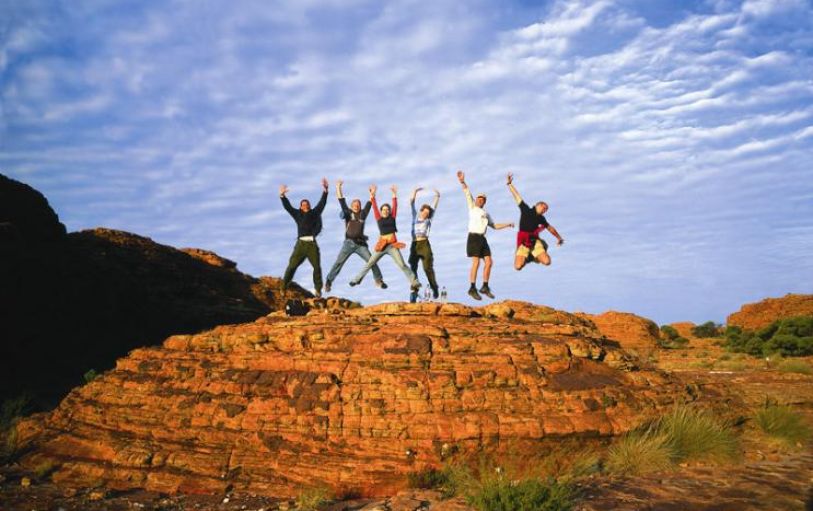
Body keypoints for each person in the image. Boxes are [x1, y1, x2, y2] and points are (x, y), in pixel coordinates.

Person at [350, 185, 421, 291]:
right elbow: (374, 206)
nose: (385, 211)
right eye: (384, 209)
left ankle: (415, 282)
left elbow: (395, 206)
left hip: (392, 246)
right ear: (381, 211)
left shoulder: (392, 217)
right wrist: (372, 194)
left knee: (402, 264)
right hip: (382, 245)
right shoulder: (378, 218)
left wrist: (394, 194)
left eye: (387, 209)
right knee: (370, 262)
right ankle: (356, 279)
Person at [456, 170, 513, 301]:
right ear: (476, 200)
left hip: (483, 239)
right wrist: (463, 181)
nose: (480, 200)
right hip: (473, 237)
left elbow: (494, 226)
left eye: (482, 199)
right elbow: (467, 193)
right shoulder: (472, 207)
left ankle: (485, 287)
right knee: (476, 262)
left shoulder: (486, 213)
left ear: (484, 202)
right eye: (478, 198)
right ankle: (472, 288)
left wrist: (507, 224)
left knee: (489, 262)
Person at [324, 180, 387, 292]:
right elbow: (340, 199)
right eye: (354, 205)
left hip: (360, 244)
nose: (356, 206)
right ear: (351, 206)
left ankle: (378, 280)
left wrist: (372, 193)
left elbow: (370, 202)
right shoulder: (348, 212)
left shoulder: (363, 213)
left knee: (371, 261)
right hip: (348, 243)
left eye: (358, 205)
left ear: (360, 206)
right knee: (339, 262)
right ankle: (328, 281)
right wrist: (338, 187)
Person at [280, 178, 328, 297]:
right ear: (301, 207)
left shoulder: (314, 213)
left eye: (307, 204)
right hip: (300, 244)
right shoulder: (297, 214)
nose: (305, 205)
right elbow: (288, 207)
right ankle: (283, 287)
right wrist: (282, 196)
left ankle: (317, 290)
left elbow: (322, 203)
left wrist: (325, 191)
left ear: (309, 206)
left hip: (312, 244)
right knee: (292, 266)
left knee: (317, 267)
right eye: (303, 204)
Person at [506, 172, 564, 270]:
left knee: (547, 262)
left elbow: (550, 228)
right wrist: (509, 184)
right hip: (523, 243)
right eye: (543, 207)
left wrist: (559, 238)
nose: (544, 210)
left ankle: (536, 253)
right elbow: (517, 196)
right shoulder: (526, 209)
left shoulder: (541, 218)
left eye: (546, 210)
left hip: (534, 242)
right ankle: (529, 256)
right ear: (537, 205)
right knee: (517, 266)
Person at [409, 187, 441, 302]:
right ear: (421, 211)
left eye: (428, 213)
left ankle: (434, 287)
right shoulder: (415, 216)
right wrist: (415, 192)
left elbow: (434, 207)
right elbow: (411, 203)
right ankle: (414, 290)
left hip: (424, 243)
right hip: (414, 244)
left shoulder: (429, 220)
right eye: (425, 212)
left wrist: (437, 196)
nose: (427, 214)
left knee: (427, 267)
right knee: (412, 266)